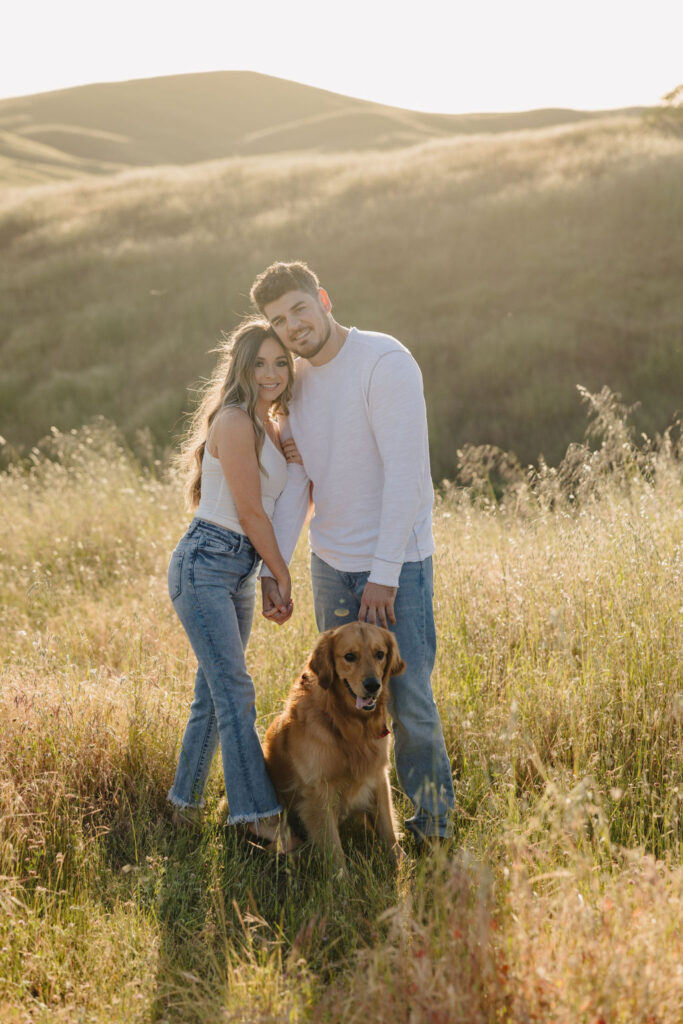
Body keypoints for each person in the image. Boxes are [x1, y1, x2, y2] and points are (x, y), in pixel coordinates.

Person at [250, 261, 456, 845]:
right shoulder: (297, 384)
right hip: (331, 562)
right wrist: (277, 567)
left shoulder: (385, 363)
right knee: (342, 698)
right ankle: (357, 812)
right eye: (278, 321)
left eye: (299, 310)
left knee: (407, 697)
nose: (292, 327)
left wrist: (385, 576)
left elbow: (407, 479)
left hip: (397, 564)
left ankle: (434, 828)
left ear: (323, 298)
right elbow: (300, 485)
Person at [166, 318, 300, 854]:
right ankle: (257, 817)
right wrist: (281, 572)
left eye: (281, 362)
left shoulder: (266, 424)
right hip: (205, 563)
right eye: (260, 362)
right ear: (241, 367)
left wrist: (287, 453)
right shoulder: (233, 420)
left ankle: (183, 807)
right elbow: (248, 510)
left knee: (213, 694)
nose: (271, 373)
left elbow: (272, 496)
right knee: (234, 691)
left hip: (236, 569)